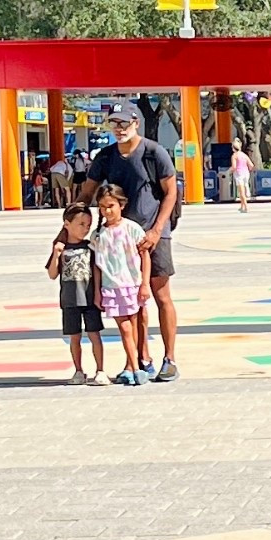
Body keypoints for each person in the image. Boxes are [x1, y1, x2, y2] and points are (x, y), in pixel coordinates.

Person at [79, 101, 179, 383]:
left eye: (124, 122)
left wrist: (158, 229)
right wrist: (70, 230)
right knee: (133, 303)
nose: (119, 128)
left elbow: (170, 192)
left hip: (150, 233)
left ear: (136, 122)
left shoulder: (153, 152)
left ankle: (169, 358)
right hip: (118, 238)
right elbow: (87, 194)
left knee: (160, 295)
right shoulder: (106, 156)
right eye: (114, 123)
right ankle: (140, 359)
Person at [90, 185, 151, 386]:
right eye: (102, 207)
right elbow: (97, 265)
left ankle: (131, 366)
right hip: (111, 287)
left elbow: (145, 256)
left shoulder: (132, 228)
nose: (107, 211)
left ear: (121, 205)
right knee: (125, 327)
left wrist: (144, 284)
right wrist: (98, 291)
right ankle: (134, 367)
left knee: (132, 325)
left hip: (132, 284)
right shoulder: (98, 234)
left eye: (111, 206)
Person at [47, 203, 107, 384]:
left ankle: (100, 370)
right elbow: (52, 274)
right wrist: (56, 254)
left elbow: (97, 271)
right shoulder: (61, 247)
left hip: (89, 298)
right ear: (67, 223)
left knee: (94, 334)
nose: (85, 228)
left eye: (88, 225)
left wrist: (98, 294)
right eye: (81, 224)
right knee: (74, 337)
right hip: (70, 300)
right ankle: (79, 370)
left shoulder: (90, 247)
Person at [231, 143, 254, 212]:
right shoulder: (244, 155)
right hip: (246, 174)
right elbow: (251, 165)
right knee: (244, 189)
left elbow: (234, 167)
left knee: (241, 192)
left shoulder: (234, 156)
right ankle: (242, 207)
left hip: (239, 174)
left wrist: (230, 171)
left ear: (233, 148)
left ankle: (246, 207)